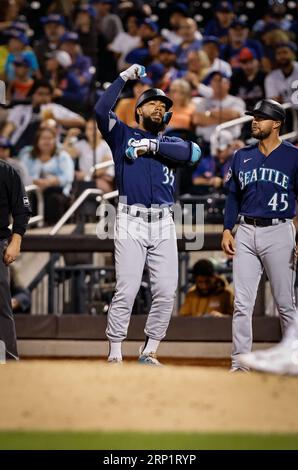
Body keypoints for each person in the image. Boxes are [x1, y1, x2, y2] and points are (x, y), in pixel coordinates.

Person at [95, 63, 201, 365]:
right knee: (126, 289)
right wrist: (123, 78)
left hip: (164, 221)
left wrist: (151, 145)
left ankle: (150, 350)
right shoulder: (122, 135)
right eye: (152, 103)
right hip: (130, 219)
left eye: (163, 105)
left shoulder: (169, 143)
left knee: (167, 291)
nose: (158, 107)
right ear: (138, 110)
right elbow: (102, 112)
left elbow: (193, 154)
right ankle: (115, 352)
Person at [221, 99, 298, 372]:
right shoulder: (242, 155)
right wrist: (227, 229)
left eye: (261, 117)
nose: (255, 121)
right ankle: (239, 364)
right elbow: (233, 195)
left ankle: (294, 361)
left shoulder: (294, 156)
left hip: (280, 230)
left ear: (276, 123)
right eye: (253, 117)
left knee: (285, 303)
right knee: (242, 304)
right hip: (245, 230)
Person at [0, 157, 31, 361]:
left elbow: (22, 210)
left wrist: (16, 241)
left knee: (1, 304)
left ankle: (10, 360)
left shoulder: (7, 171)